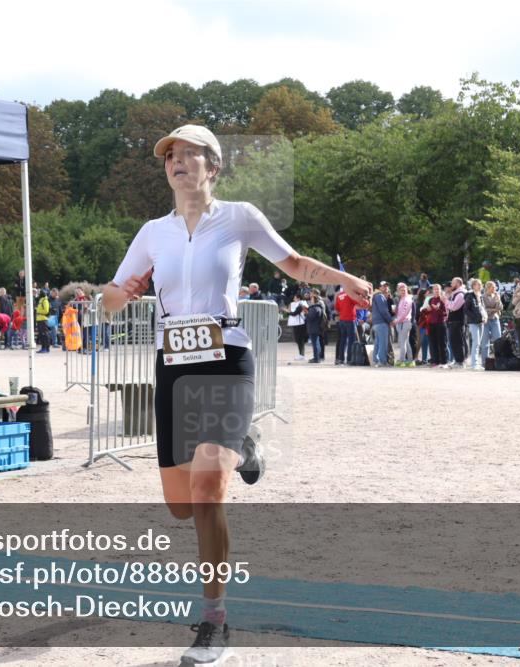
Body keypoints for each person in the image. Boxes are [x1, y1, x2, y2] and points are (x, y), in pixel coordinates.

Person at [101, 124, 369, 666]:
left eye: (188, 154)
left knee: (206, 491)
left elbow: (292, 264)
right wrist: (120, 294)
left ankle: (215, 621)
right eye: (170, 156)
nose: (177, 162)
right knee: (180, 507)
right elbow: (109, 298)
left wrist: (342, 278)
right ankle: (246, 444)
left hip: (227, 357)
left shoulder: (240, 216)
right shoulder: (153, 231)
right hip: (174, 363)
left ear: (213, 166)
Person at [463, 278, 487, 370]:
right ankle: (474, 364)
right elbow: (466, 309)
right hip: (473, 322)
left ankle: (476, 363)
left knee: (478, 343)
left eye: (480, 284)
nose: (480, 286)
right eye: (477, 284)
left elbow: (482, 308)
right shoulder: (470, 296)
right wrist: (475, 317)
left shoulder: (480, 296)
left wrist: (485, 317)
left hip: (481, 322)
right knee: (476, 342)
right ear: (473, 286)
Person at [423, 284, 449, 368]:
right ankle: (435, 361)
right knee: (433, 343)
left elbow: (445, 313)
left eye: (438, 289)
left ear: (440, 290)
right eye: (435, 289)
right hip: (431, 324)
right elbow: (425, 312)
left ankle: (444, 361)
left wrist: (438, 309)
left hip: (441, 323)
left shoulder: (443, 299)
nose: (436, 291)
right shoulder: (430, 299)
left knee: (442, 343)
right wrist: (427, 310)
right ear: (432, 291)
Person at [445, 277, 467, 368]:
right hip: (453, 321)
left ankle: (460, 362)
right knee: (453, 342)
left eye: (453, 283)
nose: (451, 285)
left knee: (458, 342)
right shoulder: (455, 293)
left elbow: (454, 307)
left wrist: (445, 300)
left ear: (458, 283)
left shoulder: (461, 294)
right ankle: (457, 360)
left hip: (457, 322)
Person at [334, 285, 358, 365]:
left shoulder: (339, 295)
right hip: (350, 319)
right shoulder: (351, 295)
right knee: (351, 340)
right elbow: (357, 303)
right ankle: (349, 359)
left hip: (342, 320)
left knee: (342, 340)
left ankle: (341, 358)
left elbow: (337, 308)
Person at [371, 282, 393, 366]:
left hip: (376, 323)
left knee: (377, 342)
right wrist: (390, 320)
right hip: (381, 323)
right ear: (379, 287)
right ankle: (382, 361)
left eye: (387, 286)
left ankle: (375, 360)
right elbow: (384, 311)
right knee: (383, 343)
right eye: (384, 286)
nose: (386, 287)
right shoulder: (380, 296)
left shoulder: (376, 295)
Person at [480, 281, 502, 364]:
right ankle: (484, 362)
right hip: (485, 320)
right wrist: (493, 310)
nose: (495, 289)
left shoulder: (496, 296)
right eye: (493, 287)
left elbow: (500, 308)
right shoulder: (483, 297)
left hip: (495, 319)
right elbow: (483, 309)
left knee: (498, 340)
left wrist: (498, 300)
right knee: (485, 342)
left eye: (495, 287)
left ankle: (499, 360)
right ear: (488, 288)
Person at [392, 282, 414, 367]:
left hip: (405, 323)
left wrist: (396, 320)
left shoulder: (407, 299)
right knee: (406, 342)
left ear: (407, 289)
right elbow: (400, 312)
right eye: (401, 290)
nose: (403, 291)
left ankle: (402, 360)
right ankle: (410, 360)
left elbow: (405, 313)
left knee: (402, 342)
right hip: (401, 323)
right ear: (398, 291)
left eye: (404, 289)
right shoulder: (401, 299)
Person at [305, 291, 326, 363]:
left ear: (314, 300)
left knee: (315, 343)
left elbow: (310, 317)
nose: (310, 300)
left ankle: (316, 358)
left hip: (313, 328)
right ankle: (317, 357)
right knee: (317, 343)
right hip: (316, 327)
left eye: (311, 299)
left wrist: (306, 313)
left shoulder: (315, 308)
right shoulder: (317, 308)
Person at [287, 292, 308, 361]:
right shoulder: (299, 304)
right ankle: (301, 354)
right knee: (299, 340)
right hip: (298, 324)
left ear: (298, 298)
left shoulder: (300, 305)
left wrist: (287, 311)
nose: (293, 299)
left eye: (295, 298)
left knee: (300, 340)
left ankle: (301, 355)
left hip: (300, 324)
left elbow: (294, 313)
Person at [35, 289, 51, 353]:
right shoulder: (41, 300)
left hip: (43, 319)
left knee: (45, 334)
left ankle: (46, 348)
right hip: (39, 319)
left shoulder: (45, 300)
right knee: (41, 334)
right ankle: (43, 347)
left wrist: (38, 311)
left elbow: (46, 311)